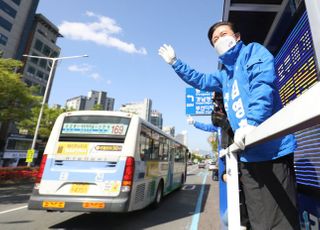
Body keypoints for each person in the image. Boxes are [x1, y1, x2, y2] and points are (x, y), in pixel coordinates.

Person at [159, 21, 299, 229]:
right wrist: (175, 63)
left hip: (273, 152)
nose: (219, 40)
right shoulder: (223, 75)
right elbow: (200, 79)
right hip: (248, 156)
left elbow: (262, 85)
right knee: (258, 219)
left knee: (281, 221)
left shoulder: (253, 52)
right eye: (215, 40)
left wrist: (253, 123)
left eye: (223, 34)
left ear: (237, 36)